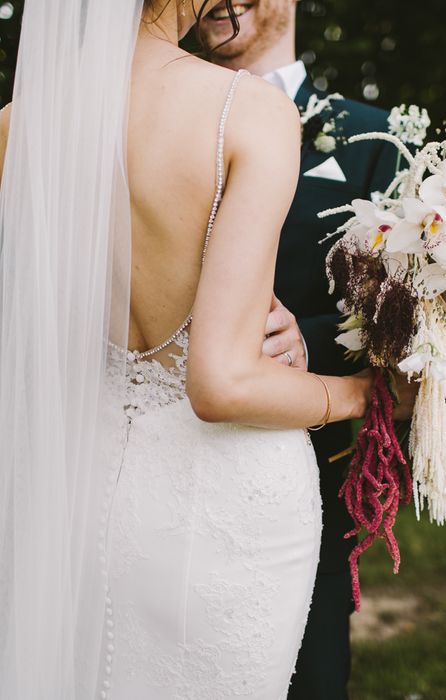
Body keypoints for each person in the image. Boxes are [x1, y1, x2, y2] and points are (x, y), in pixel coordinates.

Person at [0, 1, 410, 698]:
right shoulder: (244, 111)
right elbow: (220, 384)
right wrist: (374, 398)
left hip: (78, 487)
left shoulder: (17, 125)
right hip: (225, 496)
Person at [199, 3, 401, 697]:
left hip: (305, 479)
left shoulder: (379, 139)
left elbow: (416, 315)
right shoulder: (154, 122)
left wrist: (309, 342)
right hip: (165, 457)